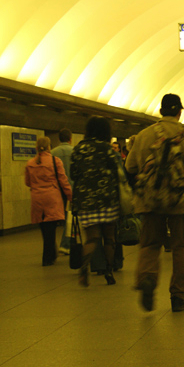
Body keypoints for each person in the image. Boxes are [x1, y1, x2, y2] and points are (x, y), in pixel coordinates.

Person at [125, 94, 184, 312]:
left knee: (150, 244)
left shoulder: (143, 135)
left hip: (149, 201)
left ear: (160, 111)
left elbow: (130, 168)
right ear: (179, 112)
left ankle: (147, 278)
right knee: (181, 247)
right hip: (180, 202)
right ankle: (178, 295)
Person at [71, 117, 122, 287]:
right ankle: (108, 271)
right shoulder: (106, 149)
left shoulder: (79, 149)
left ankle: (84, 268)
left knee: (92, 238)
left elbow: (73, 174)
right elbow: (117, 173)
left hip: (85, 199)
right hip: (107, 198)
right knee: (109, 237)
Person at [25, 137, 73, 266]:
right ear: (48, 147)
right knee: (51, 229)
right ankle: (47, 257)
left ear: (36, 148)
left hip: (37, 198)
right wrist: (70, 195)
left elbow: (27, 182)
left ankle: (51, 253)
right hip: (52, 197)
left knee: (45, 228)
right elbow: (63, 180)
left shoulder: (30, 163)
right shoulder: (55, 161)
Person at [51, 128, 74, 254]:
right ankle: (66, 244)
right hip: (72, 190)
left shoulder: (52, 153)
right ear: (70, 138)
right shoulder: (75, 151)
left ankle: (52, 246)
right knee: (69, 218)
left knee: (53, 219)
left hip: (57, 191)